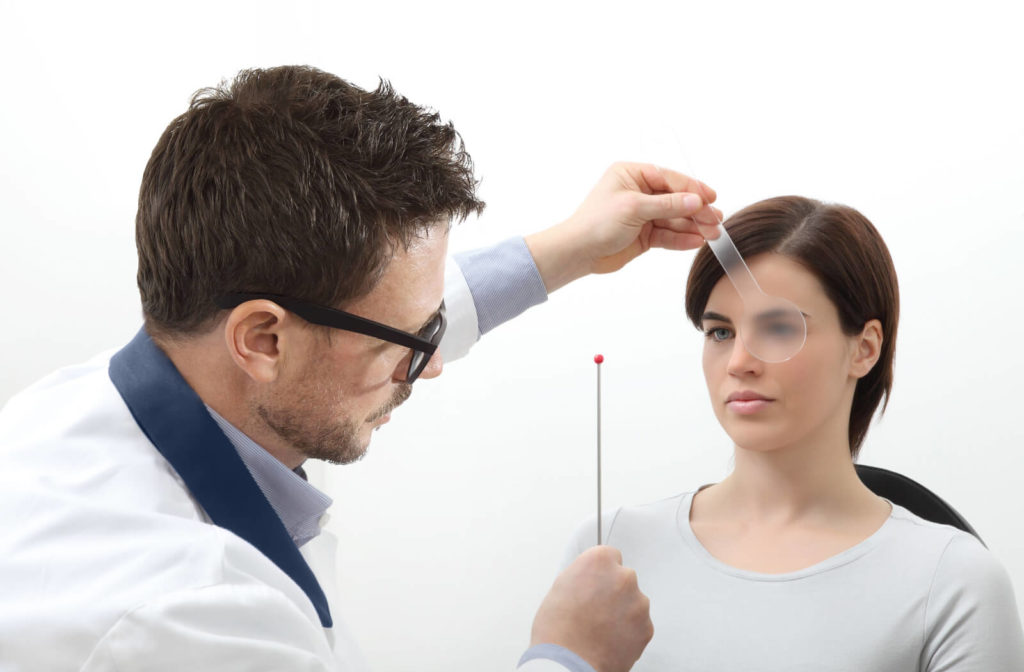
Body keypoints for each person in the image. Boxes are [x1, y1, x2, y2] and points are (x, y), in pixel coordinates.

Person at [0, 66, 721, 672]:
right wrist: (566, 657)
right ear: (264, 341)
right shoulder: (188, 615)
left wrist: (568, 248)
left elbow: (367, 317)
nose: (429, 368)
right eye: (411, 342)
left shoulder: (92, 401)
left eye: (430, 332)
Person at [561, 195, 1024, 671]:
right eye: (720, 333)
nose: (739, 362)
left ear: (864, 349)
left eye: (779, 328)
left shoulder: (951, 583)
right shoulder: (609, 552)